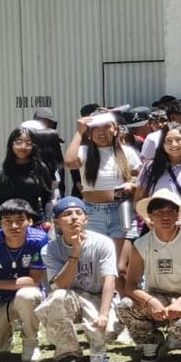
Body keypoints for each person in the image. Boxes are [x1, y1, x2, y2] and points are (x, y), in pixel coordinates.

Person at [118, 189, 181, 362]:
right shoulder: (141, 244)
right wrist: (150, 301)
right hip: (156, 295)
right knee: (125, 306)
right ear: (150, 217)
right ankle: (152, 342)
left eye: (170, 211)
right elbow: (130, 285)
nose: (165, 216)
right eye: (159, 212)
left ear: (177, 215)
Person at [35, 197, 118, 362]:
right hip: (70, 297)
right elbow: (61, 285)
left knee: (106, 328)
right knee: (56, 298)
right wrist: (75, 251)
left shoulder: (103, 243)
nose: (74, 218)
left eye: (79, 213)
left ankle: (98, 351)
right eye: (67, 214)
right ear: (56, 222)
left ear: (86, 219)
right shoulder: (49, 249)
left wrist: (103, 314)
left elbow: (109, 280)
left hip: (97, 297)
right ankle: (68, 353)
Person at [0, 199, 48, 362]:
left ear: (29, 221)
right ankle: (5, 336)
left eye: (20, 221)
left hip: (24, 297)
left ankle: (30, 340)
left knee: (27, 295)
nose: (14, 226)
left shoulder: (39, 240)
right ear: (0, 223)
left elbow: (34, 280)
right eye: (8, 221)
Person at [63, 110, 142, 262]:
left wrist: (131, 186)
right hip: (93, 212)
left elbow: (141, 180)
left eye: (107, 127)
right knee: (97, 263)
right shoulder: (84, 151)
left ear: (115, 129)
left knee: (120, 267)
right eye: (96, 128)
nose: (101, 132)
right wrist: (79, 132)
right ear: (89, 133)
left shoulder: (127, 152)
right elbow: (69, 162)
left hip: (121, 210)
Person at [137, 123, 181, 236]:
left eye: (178, 139)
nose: (174, 144)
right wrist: (148, 221)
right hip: (155, 229)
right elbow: (139, 200)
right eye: (169, 141)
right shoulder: (150, 168)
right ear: (162, 143)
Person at [0, 127, 53, 234]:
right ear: (11, 144)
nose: (23, 147)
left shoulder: (41, 168)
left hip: (34, 224)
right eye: (18, 142)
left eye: (28, 143)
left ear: (33, 146)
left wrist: (48, 221)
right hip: (6, 225)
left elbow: (47, 197)